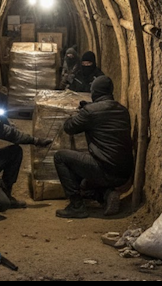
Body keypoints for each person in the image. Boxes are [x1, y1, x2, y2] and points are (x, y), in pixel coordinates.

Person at [53, 76, 134, 218]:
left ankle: (76, 206)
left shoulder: (90, 112)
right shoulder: (122, 110)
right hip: (124, 173)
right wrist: (89, 107)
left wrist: (81, 113)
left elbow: (69, 128)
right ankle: (106, 195)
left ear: (94, 91)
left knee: (60, 157)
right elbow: (103, 116)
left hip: (105, 170)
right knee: (84, 186)